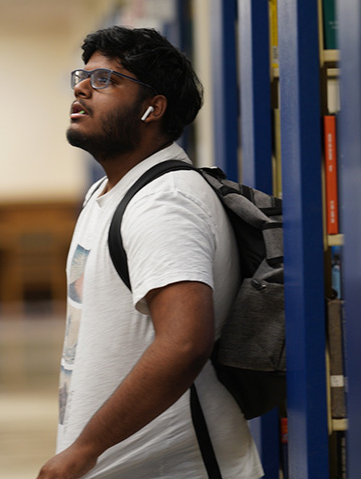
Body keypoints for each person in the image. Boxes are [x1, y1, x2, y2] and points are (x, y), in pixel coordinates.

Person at [37, 27, 263, 479]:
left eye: (105, 80)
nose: (82, 87)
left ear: (152, 108)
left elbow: (184, 342)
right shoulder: (108, 192)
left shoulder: (165, 202)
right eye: (84, 76)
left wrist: (85, 448)